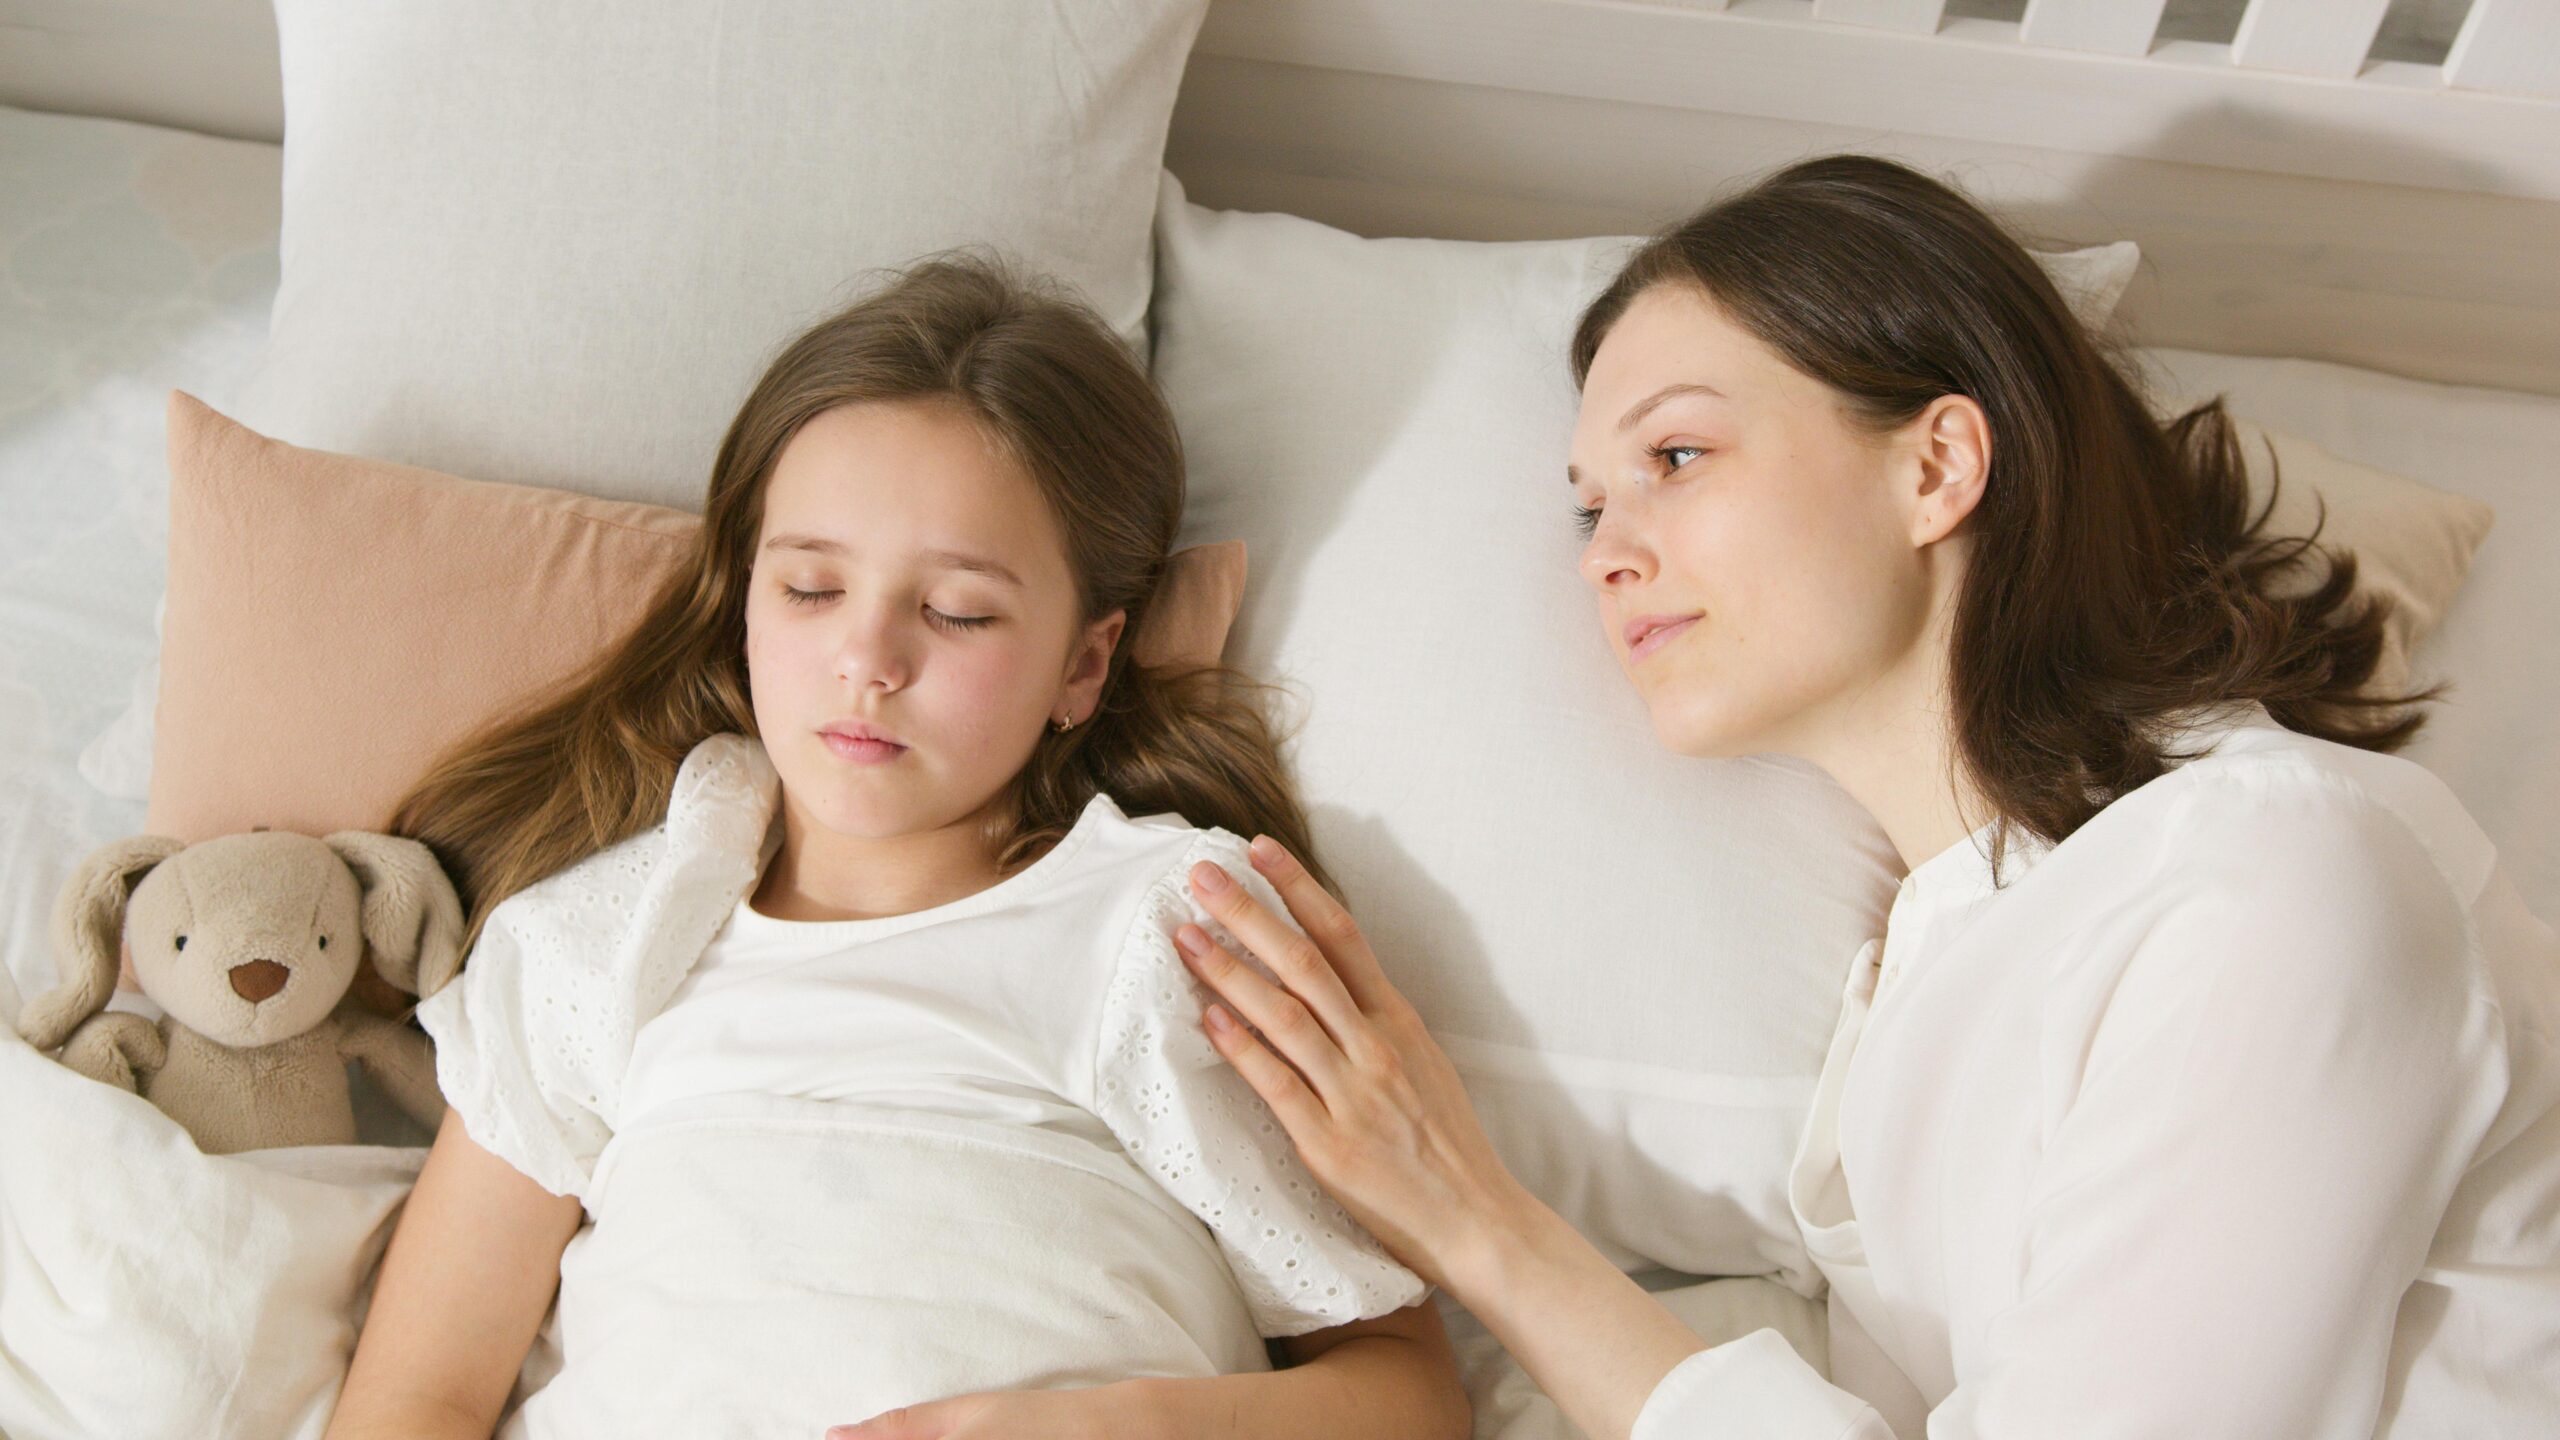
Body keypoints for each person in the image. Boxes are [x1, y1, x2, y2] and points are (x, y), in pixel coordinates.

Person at [1166, 156, 2560, 1438]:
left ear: (1939, 462)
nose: (1607, 555)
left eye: (1677, 457)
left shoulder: (2281, 876)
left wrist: (1477, 1220)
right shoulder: (1918, 994)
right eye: (1592, 507)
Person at [324, 255, 1469, 1439]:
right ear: (745, 605)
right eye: (812, 589)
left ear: (1084, 662)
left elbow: (1406, 1391)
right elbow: (419, 1398)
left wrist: (1112, 1426)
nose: (867, 660)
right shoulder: (589, 954)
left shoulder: (1172, 941)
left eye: (956, 613)